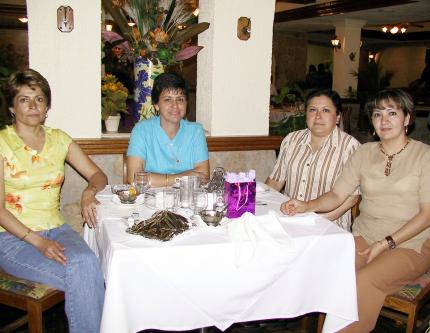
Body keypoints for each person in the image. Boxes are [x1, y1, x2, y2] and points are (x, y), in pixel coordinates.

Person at [281, 88, 430, 333]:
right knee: (330, 272)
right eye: (377, 114)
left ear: (407, 118)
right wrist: (307, 206)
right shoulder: (365, 152)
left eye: (392, 113)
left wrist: (385, 243)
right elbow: (337, 195)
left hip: (411, 244)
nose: (384, 120)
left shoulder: (424, 155)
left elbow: (427, 214)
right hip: (364, 237)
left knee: (362, 282)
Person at [0, 69, 106, 333]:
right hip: (12, 239)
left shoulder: (60, 139)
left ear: (47, 106)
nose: (33, 106)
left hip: (57, 229)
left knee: (88, 264)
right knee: (89, 274)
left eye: (39, 99)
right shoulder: (2, 143)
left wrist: (89, 191)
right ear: (12, 107)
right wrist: (38, 241)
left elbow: (98, 174)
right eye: (24, 99)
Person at [266, 89, 360, 231]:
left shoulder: (350, 147)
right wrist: (262, 207)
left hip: (329, 225)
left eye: (326, 110)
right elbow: (275, 181)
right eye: (312, 110)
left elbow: (352, 198)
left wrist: (318, 220)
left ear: (338, 117)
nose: (318, 116)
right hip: (288, 218)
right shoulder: (291, 140)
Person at [127, 72, 209, 186]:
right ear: (156, 104)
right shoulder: (141, 131)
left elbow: (203, 176)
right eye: (168, 99)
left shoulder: (196, 131)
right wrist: (181, 178)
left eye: (180, 99)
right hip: (151, 200)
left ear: (186, 103)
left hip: (186, 200)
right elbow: (134, 178)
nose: (175, 105)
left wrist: (156, 179)